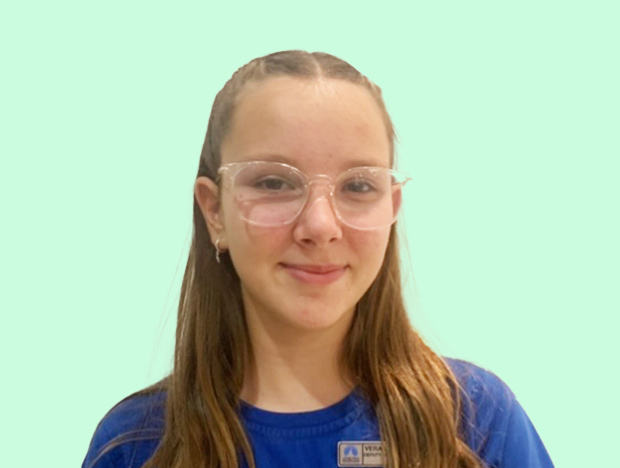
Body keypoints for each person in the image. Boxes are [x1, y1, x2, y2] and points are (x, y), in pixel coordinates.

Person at [82, 50, 554, 468]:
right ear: (214, 211)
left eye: (358, 186)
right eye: (274, 183)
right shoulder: (136, 445)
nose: (321, 226)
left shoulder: (477, 422)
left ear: (391, 208)